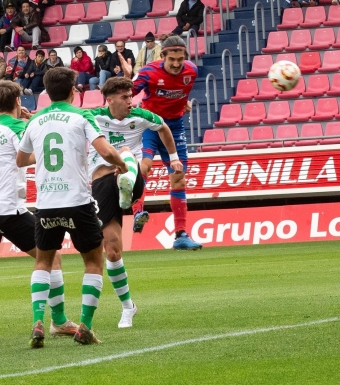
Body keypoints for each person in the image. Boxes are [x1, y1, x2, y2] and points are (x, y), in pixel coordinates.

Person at [16, 67, 129, 347]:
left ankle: (38, 322)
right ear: (72, 91)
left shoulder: (36, 120)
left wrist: (42, 158)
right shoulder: (82, 115)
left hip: (46, 205)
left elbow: (20, 159)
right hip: (77, 202)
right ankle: (86, 327)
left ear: (46, 92)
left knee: (43, 262)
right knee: (93, 262)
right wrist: (123, 164)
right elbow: (105, 151)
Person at [0, 80, 78, 342]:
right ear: (18, 101)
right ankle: (58, 321)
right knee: (52, 258)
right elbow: (45, 149)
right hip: (8, 210)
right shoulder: (18, 128)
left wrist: (27, 121)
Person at [88, 77, 182, 327]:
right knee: (112, 249)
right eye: (125, 97)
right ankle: (128, 307)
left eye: (131, 96)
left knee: (127, 154)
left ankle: (127, 185)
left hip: (132, 173)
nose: (131, 101)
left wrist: (173, 158)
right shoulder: (93, 116)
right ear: (109, 100)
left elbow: (163, 127)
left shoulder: (141, 116)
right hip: (103, 184)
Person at [127, 36, 202, 249]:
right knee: (145, 166)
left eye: (181, 59)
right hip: (150, 124)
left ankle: (181, 236)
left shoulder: (192, 71)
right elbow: (127, 92)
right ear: (163, 57)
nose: (177, 64)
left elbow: (177, 91)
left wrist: (181, 102)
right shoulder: (148, 72)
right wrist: (126, 79)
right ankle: (138, 213)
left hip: (175, 127)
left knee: (179, 178)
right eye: (172, 59)